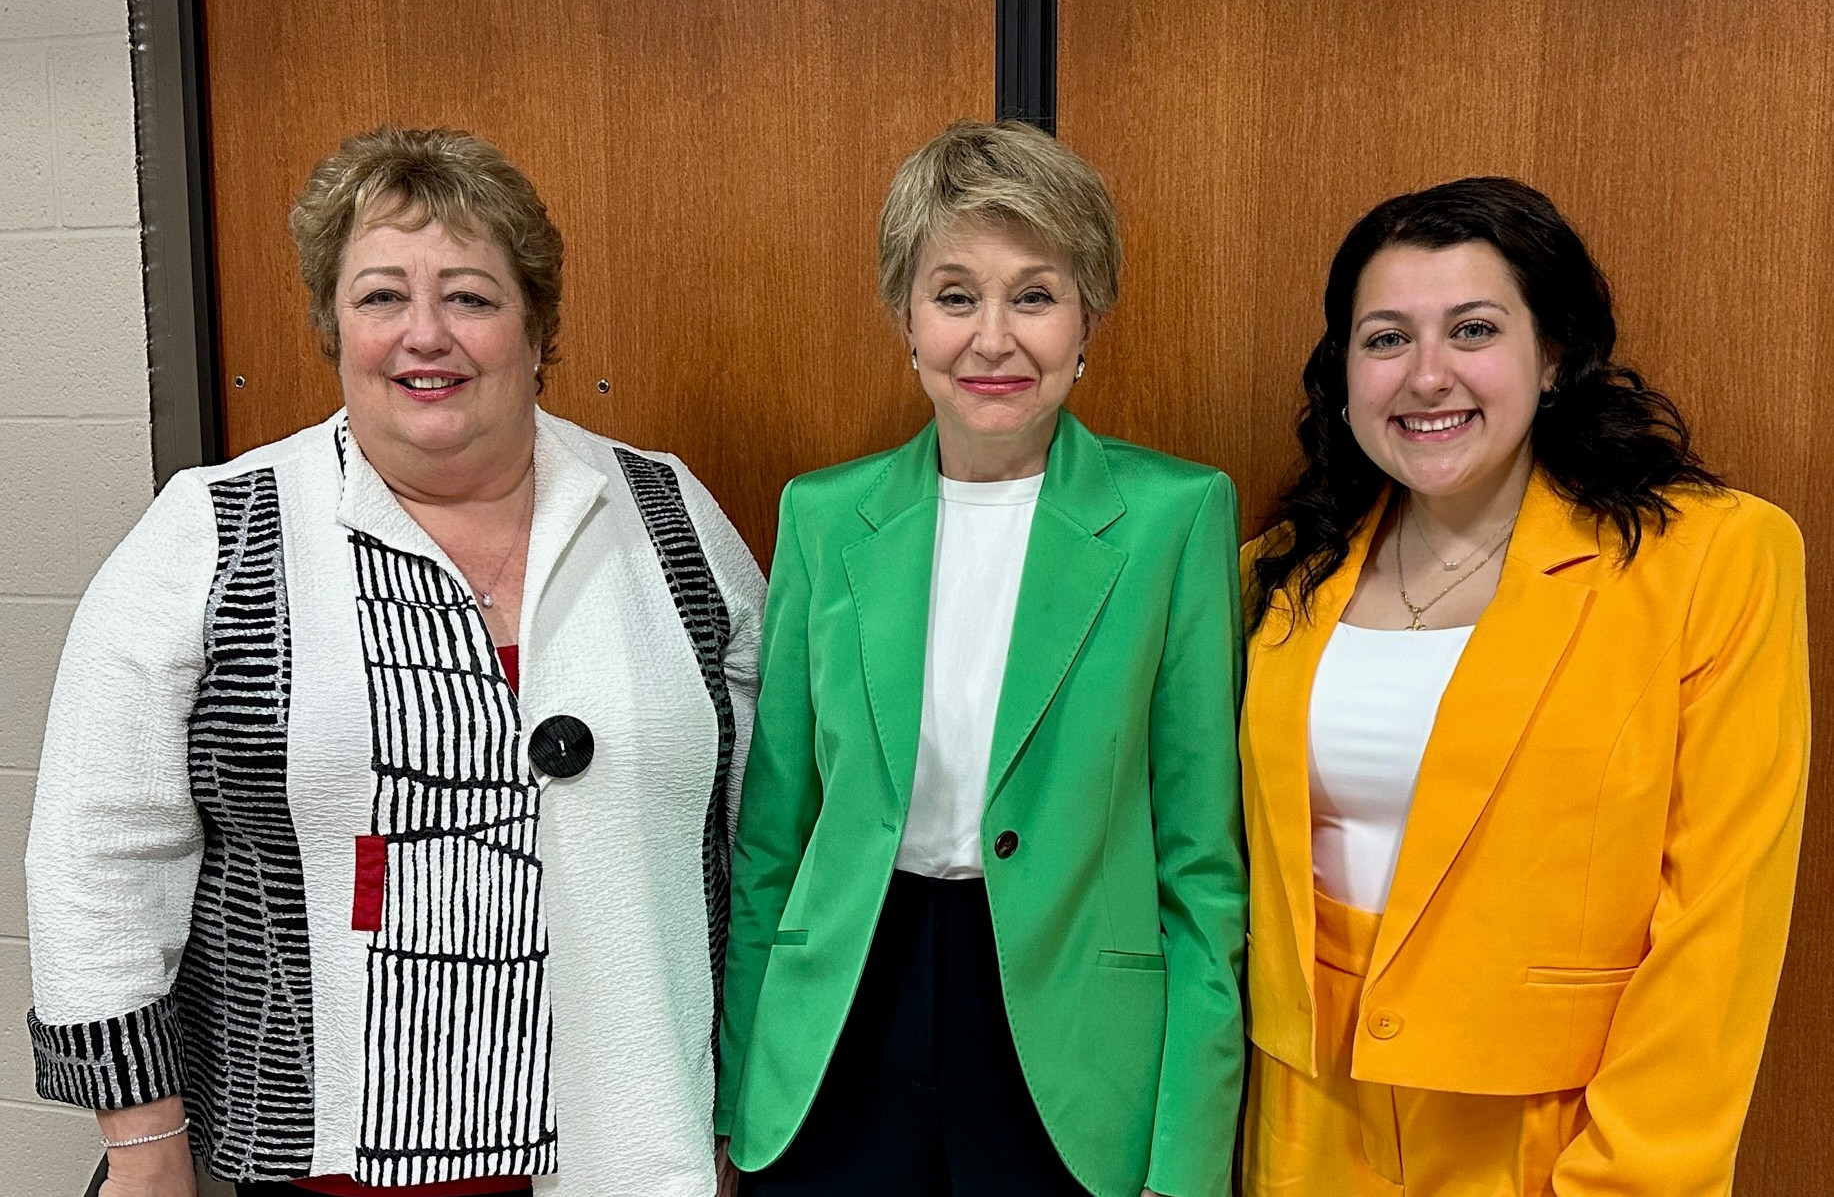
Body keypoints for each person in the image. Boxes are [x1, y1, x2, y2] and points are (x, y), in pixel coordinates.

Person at [26, 126, 763, 1197]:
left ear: (537, 327)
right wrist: (144, 1146)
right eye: (380, 297)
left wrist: (748, 1100)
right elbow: (98, 857)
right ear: (332, 325)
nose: (426, 335)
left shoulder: (666, 514)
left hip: (638, 1145)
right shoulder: (215, 533)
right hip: (322, 1167)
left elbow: (764, 821)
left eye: (470, 296)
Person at [1238, 176, 1809, 1195]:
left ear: (1551, 355)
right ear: (1342, 374)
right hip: (1305, 1124)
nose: (1426, 375)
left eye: (1471, 329)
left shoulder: (1714, 558)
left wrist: (1631, 1176)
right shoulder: (1278, 575)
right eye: (1384, 339)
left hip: (1551, 1136)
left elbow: (1717, 924)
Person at [715, 119, 1247, 1197]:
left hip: (1072, 1042)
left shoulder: (1174, 517)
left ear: (1088, 317)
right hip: (844, 1017)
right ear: (905, 322)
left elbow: (1201, 867)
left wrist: (1187, 1159)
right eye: (954, 295)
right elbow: (772, 837)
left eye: (1035, 295)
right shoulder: (822, 516)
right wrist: (737, 1099)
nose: (993, 338)